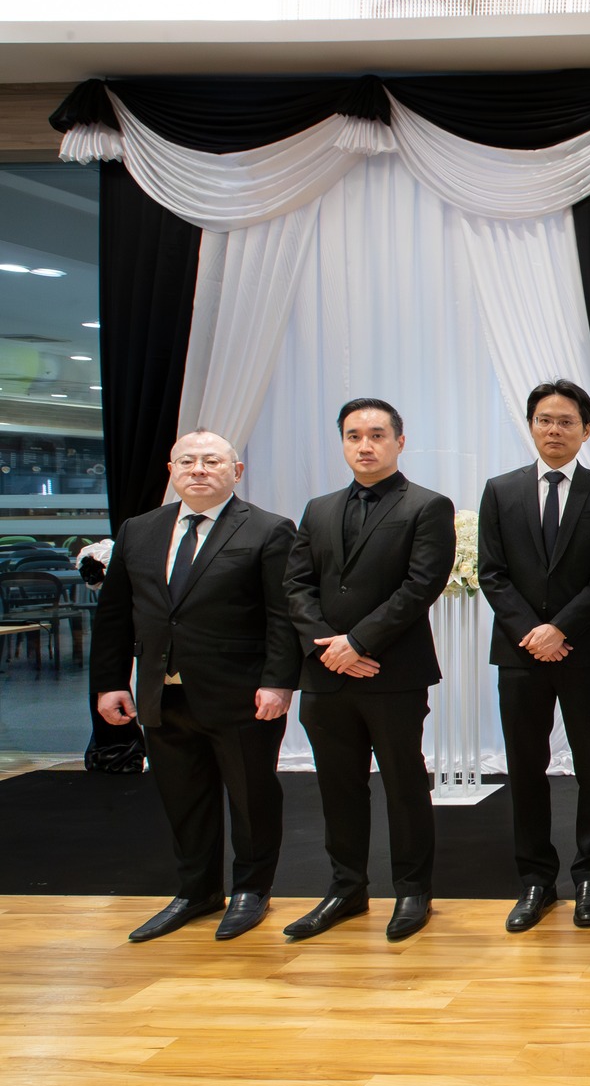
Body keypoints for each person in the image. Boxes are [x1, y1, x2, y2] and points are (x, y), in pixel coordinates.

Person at [90, 431, 299, 943]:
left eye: (211, 461)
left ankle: (251, 890)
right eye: (187, 461)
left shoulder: (269, 530)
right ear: (172, 470)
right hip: (161, 692)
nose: (198, 469)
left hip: (241, 694)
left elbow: (282, 615)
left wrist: (278, 682)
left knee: (250, 796)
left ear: (236, 471)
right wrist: (110, 683)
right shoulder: (139, 530)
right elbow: (115, 613)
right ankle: (196, 890)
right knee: (183, 797)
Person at [282, 399, 456, 942]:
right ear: (342, 442)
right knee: (338, 786)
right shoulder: (318, 509)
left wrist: (358, 642)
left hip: (393, 671)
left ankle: (413, 890)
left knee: (405, 784)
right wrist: (328, 648)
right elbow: (296, 586)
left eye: (377, 434)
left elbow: (420, 586)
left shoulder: (427, 506)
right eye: (354, 435)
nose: (365, 445)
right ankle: (346, 888)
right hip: (326, 674)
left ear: (399, 442)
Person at [477, 380, 590, 933]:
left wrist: (559, 628)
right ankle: (535, 880)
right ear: (531, 426)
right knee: (525, 768)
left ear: (586, 431)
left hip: (584, 651)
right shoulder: (500, 490)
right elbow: (491, 572)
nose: (554, 430)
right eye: (545, 420)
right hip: (520, 654)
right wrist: (532, 632)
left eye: (567, 422)